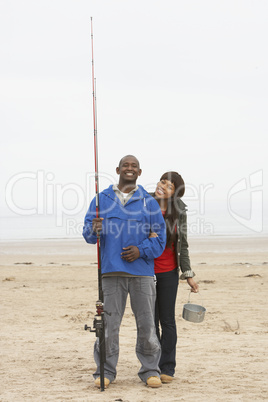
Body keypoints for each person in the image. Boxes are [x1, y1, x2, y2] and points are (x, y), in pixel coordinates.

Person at [83, 155, 166, 389]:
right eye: (126, 165)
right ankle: (105, 371)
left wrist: (140, 250)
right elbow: (89, 237)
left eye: (134, 166)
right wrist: (94, 229)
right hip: (111, 273)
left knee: (147, 325)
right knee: (108, 326)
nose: (130, 169)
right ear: (118, 169)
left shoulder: (149, 202)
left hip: (142, 273)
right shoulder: (101, 199)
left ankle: (150, 370)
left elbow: (160, 239)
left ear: (139, 172)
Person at [150, 171, 199, 384]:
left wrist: (188, 274)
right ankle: (151, 366)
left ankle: (167, 366)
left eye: (169, 186)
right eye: (162, 181)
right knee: (149, 322)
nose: (162, 186)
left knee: (167, 320)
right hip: (145, 272)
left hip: (169, 271)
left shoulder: (179, 212)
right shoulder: (144, 204)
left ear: (175, 194)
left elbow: (183, 244)